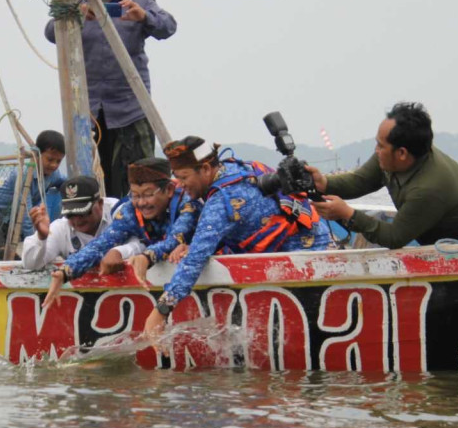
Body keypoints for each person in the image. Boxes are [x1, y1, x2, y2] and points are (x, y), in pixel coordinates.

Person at [142, 136, 333, 339]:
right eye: (177, 177)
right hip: (317, 238)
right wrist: (194, 245)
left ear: (206, 169)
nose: (180, 185)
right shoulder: (237, 167)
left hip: (303, 260)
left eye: (184, 177)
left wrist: (161, 312)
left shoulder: (222, 201)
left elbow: (194, 261)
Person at [44, 0, 177, 198]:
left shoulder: (139, 1)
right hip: (88, 110)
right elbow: (51, 32)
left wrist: (143, 17)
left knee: (139, 179)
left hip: (131, 106)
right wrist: (78, 13)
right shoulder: (75, 3)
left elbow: (168, 27)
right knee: (91, 182)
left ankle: (140, 232)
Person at [309, 102, 458, 248]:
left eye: (380, 145)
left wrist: (347, 214)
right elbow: (359, 182)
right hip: (451, 235)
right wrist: (324, 183)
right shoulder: (388, 157)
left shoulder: (429, 187)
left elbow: (394, 237)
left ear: (402, 153)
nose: (376, 149)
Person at [43, 157, 200, 307]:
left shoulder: (188, 204)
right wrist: (65, 272)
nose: (141, 203)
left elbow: (175, 239)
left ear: (169, 190)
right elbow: (102, 243)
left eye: (148, 194)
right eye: (135, 195)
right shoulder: (130, 211)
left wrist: (146, 257)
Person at [21, 174, 143, 270]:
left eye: (83, 213)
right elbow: (31, 265)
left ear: (100, 204)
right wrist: (41, 238)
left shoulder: (119, 211)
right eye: (70, 214)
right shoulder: (61, 227)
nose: (77, 220)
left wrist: (119, 252)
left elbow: (142, 242)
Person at [0, 129, 67, 252]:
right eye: (50, 159)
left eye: (58, 161)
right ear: (37, 155)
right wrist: (37, 242)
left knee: (18, 249)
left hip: (13, 219)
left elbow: (66, 182)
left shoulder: (54, 175)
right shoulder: (23, 175)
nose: (54, 165)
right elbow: (25, 213)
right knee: (0, 250)